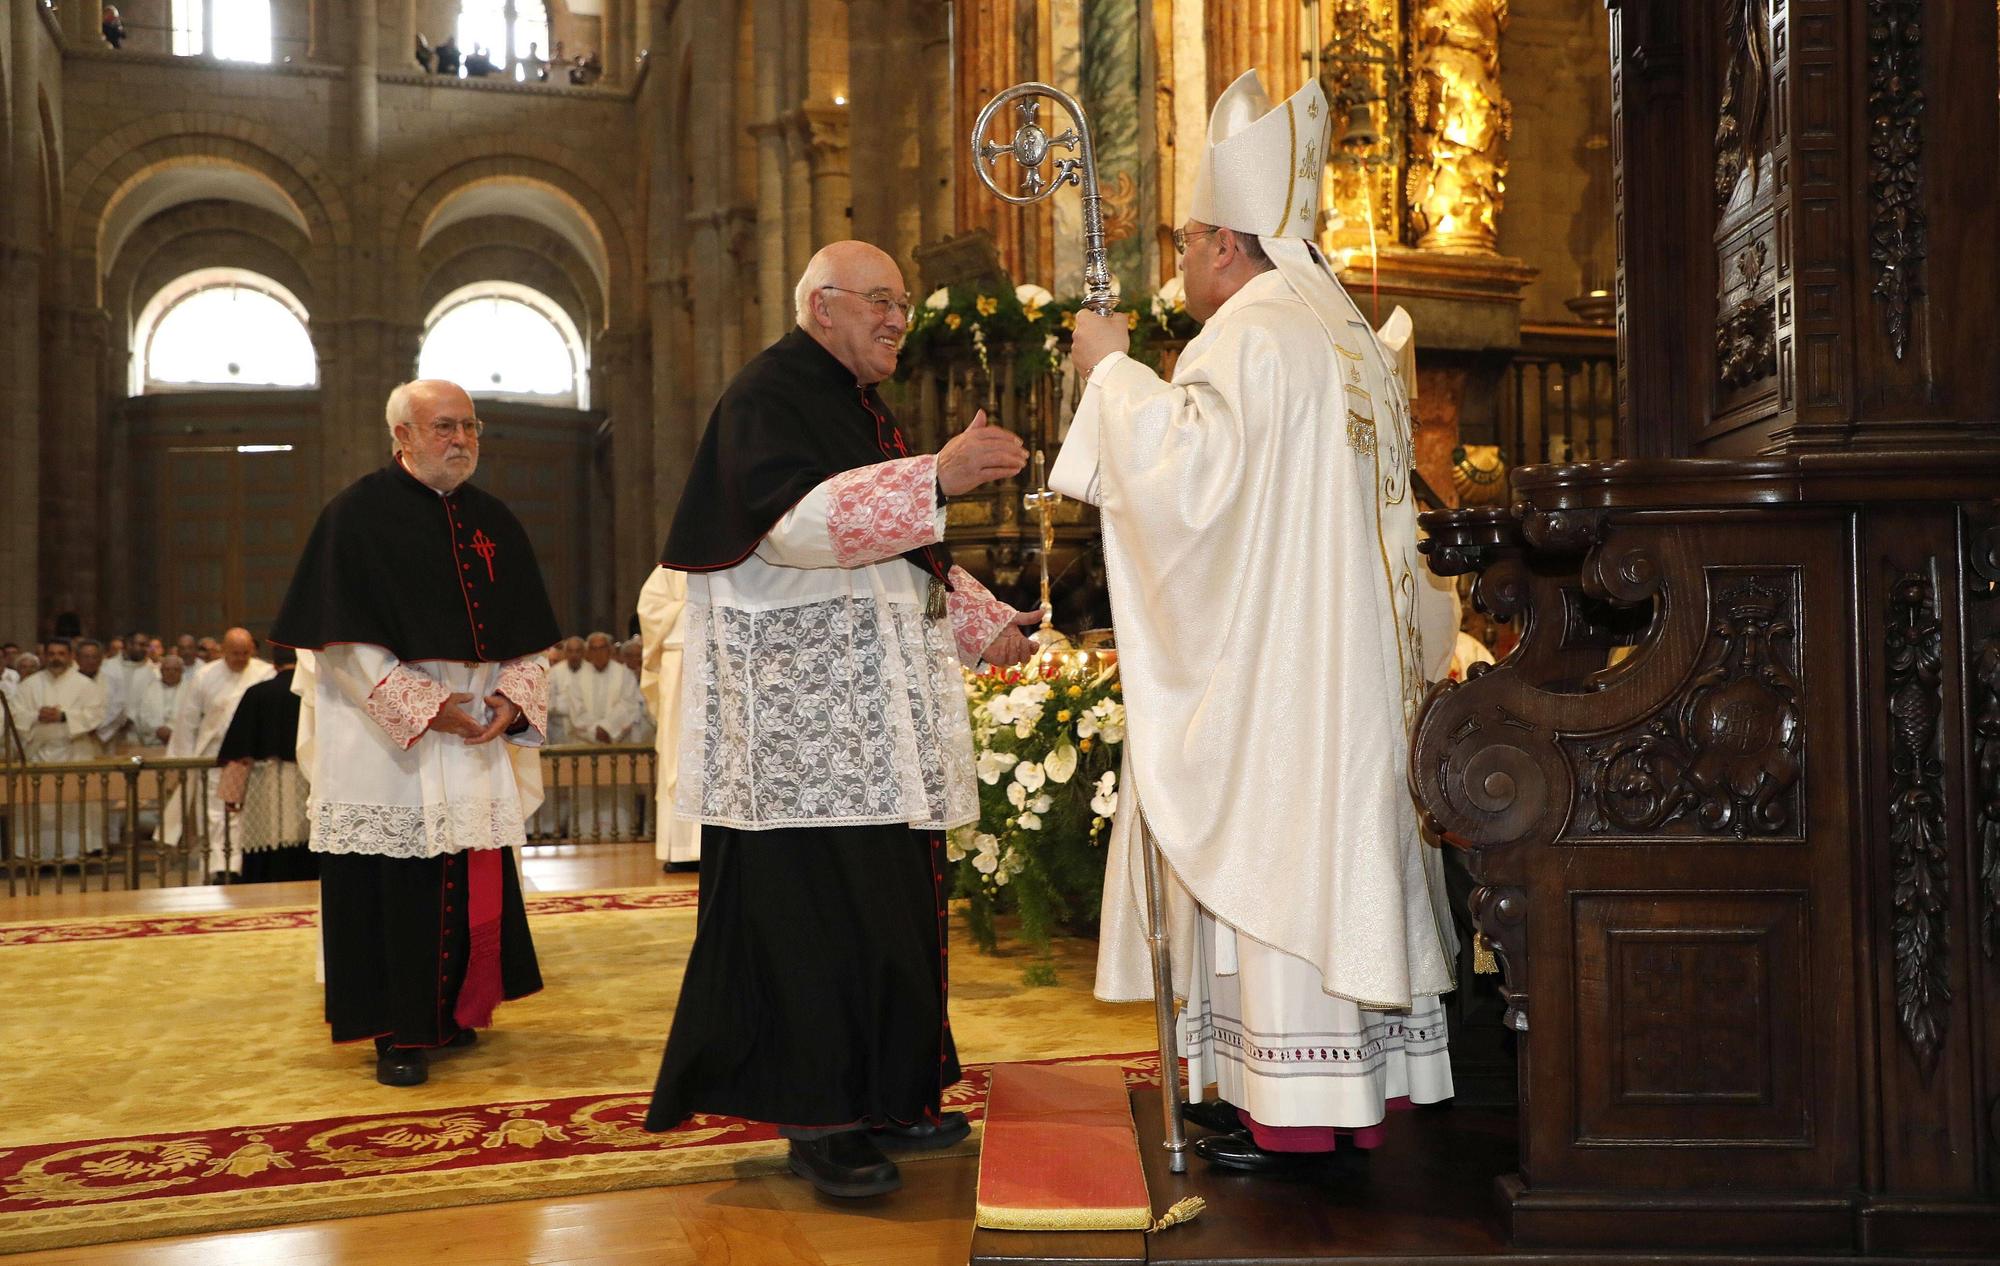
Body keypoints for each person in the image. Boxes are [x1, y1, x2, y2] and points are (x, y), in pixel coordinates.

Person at [1055, 69, 1461, 1174]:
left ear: (1227, 245)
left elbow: (1187, 484)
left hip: (1285, 689)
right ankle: (1349, 1092)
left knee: (1271, 854)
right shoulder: (1344, 334)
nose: (1180, 264)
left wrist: (1110, 375)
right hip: (1357, 685)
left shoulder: (1249, 335)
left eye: (1186, 242)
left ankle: (1282, 1103)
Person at [644, 240, 1041, 1200]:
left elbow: (906, 564)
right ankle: (823, 1119)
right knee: (812, 922)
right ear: (822, 304)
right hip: (800, 734)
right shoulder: (769, 393)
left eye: (902, 303)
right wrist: (936, 477)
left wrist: (988, 627)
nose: (899, 318)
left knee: (887, 907)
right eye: (881, 301)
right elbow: (797, 527)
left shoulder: (858, 406)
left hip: (872, 722)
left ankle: (889, 1095)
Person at [272, 378, 557, 1088]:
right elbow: (340, 648)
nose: (461, 441)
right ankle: (397, 1030)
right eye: (443, 428)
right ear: (401, 436)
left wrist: (512, 701)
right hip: (386, 741)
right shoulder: (354, 518)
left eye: (470, 427)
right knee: (394, 883)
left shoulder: (495, 520)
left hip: (474, 735)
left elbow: (532, 638)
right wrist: (431, 707)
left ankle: (455, 1013)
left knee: (466, 869)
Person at [163, 628, 275, 878]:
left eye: (245, 653)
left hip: (250, 758)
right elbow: (188, 721)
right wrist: (184, 761)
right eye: (234, 653)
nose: (240, 658)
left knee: (248, 814)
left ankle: (243, 866)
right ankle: (219, 867)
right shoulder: (205, 675)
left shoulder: (264, 673)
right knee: (216, 815)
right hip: (214, 757)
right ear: (223, 651)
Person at [215, 646, 314, 883]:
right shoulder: (312, 696)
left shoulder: (257, 693)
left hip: (263, 782)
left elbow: (238, 749)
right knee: (304, 843)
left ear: (274, 664)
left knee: (265, 844)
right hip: (306, 778)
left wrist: (232, 795)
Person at [13, 639, 109, 861]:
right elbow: (16, 714)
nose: (56, 658)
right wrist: (37, 715)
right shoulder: (29, 685)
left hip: (74, 752)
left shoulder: (85, 685)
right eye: (52, 653)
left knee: (73, 805)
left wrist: (64, 716)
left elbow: (95, 713)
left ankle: (74, 855)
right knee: (39, 805)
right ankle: (39, 854)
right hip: (38, 753)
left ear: (70, 656)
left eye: (61, 653)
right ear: (44, 656)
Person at [634, 569, 697, 869]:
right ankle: (682, 849)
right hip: (679, 661)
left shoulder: (735, 552)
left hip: (723, 664)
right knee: (679, 753)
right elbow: (650, 609)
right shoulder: (672, 564)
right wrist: (692, 610)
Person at [131, 653, 187, 747]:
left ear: (182, 671)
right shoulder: (149, 689)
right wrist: (158, 729)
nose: (171, 672)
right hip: (153, 742)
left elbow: (192, 716)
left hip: (181, 744)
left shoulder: (190, 690)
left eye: (175, 669)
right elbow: (143, 716)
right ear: (161, 671)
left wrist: (171, 731)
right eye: (167, 669)